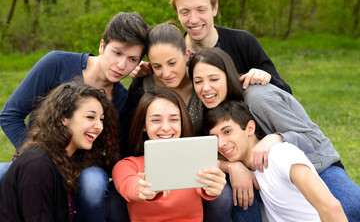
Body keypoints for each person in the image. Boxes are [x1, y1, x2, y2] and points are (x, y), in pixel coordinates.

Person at [0, 12, 151, 221]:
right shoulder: (56, 64)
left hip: (84, 171)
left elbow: (119, 153)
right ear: (102, 46)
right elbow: (10, 115)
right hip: (39, 161)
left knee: (94, 184)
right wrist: (40, 158)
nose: (122, 65)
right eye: (116, 53)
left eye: (132, 59)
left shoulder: (122, 100)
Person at [188, 47, 360, 221]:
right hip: (262, 173)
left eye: (214, 79)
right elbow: (202, 154)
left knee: (351, 208)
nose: (206, 88)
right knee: (240, 196)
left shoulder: (258, 99)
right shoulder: (205, 109)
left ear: (229, 76)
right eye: (198, 81)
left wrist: (277, 137)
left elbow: (312, 139)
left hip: (316, 162)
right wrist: (232, 166)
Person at [110, 21, 232, 222]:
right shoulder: (142, 84)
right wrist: (142, 187)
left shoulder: (203, 80)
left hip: (200, 161)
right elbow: (129, 176)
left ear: (186, 56)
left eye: (172, 63)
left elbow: (228, 108)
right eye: (157, 66)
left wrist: (226, 171)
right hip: (146, 163)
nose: (165, 73)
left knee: (223, 193)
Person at [131, 0, 291, 94]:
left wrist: (266, 78)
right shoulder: (171, 52)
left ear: (215, 8)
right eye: (185, 12)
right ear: (177, 14)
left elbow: (285, 92)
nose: (193, 20)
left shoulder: (243, 42)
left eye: (201, 10)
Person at [203, 100, 348, 222]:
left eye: (227, 132)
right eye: (215, 138)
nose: (220, 143)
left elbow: (331, 207)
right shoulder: (251, 168)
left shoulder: (280, 155)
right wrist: (231, 166)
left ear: (250, 128)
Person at [0, 80, 120, 221]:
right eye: (90, 117)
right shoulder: (38, 166)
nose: (99, 126)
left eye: (101, 119)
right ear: (63, 118)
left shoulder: (68, 157)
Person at [112, 87, 226, 222]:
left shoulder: (197, 161)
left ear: (182, 123)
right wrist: (142, 188)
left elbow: (210, 188)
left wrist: (214, 187)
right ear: (143, 125)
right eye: (156, 120)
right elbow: (128, 185)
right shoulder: (128, 165)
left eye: (174, 120)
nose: (166, 127)